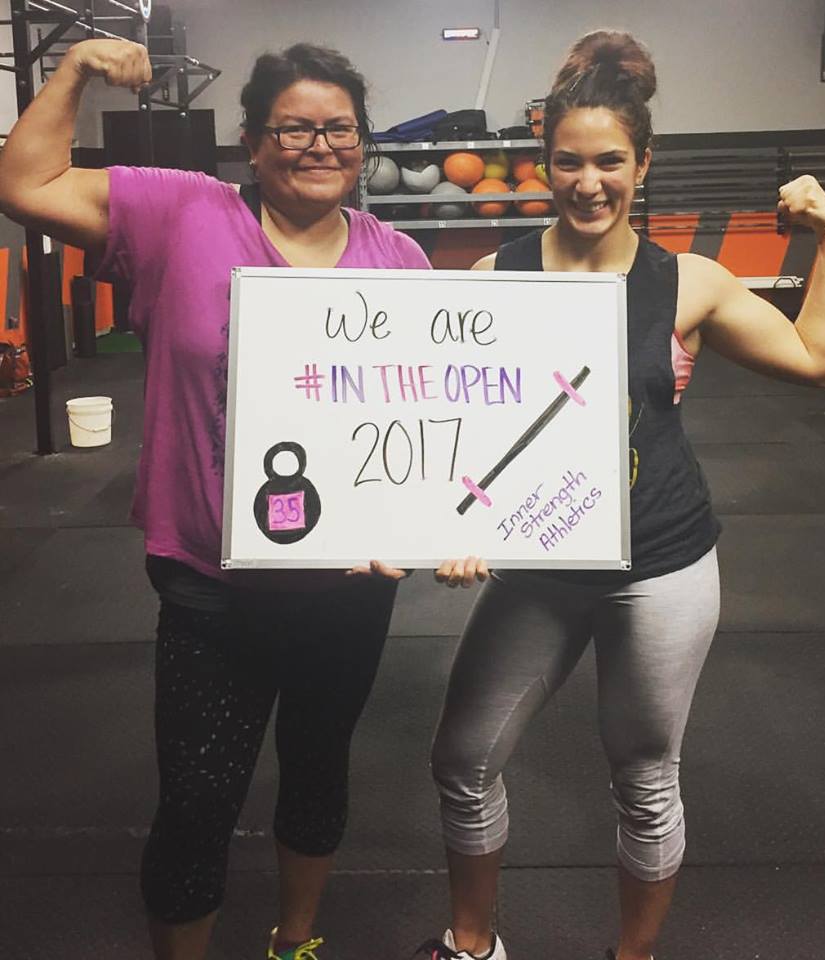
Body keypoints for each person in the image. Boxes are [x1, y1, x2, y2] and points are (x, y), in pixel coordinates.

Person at [423, 29, 825, 960]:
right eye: (568, 162)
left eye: (609, 162)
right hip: (540, 563)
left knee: (645, 778)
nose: (589, 183)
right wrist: (450, 522)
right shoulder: (496, 280)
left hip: (659, 563)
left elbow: (821, 360)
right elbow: (457, 427)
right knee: (462, 759)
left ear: (643, 163)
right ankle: (472, 944)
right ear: (543, 165)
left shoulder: (686, 282)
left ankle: (632, 955)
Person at [0, 38, 430, 960]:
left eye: (340, 129)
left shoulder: (399, 258)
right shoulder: (181, 212)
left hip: (347, 589)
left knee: (318, 772)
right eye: (294, 128)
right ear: (252, 140)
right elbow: (27, 184)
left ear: (363, 141)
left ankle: (295, 943)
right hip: (211, 582)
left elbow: (422, 425)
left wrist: (433, 527)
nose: (319, 146)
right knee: (197, 803)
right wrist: (72, 70)